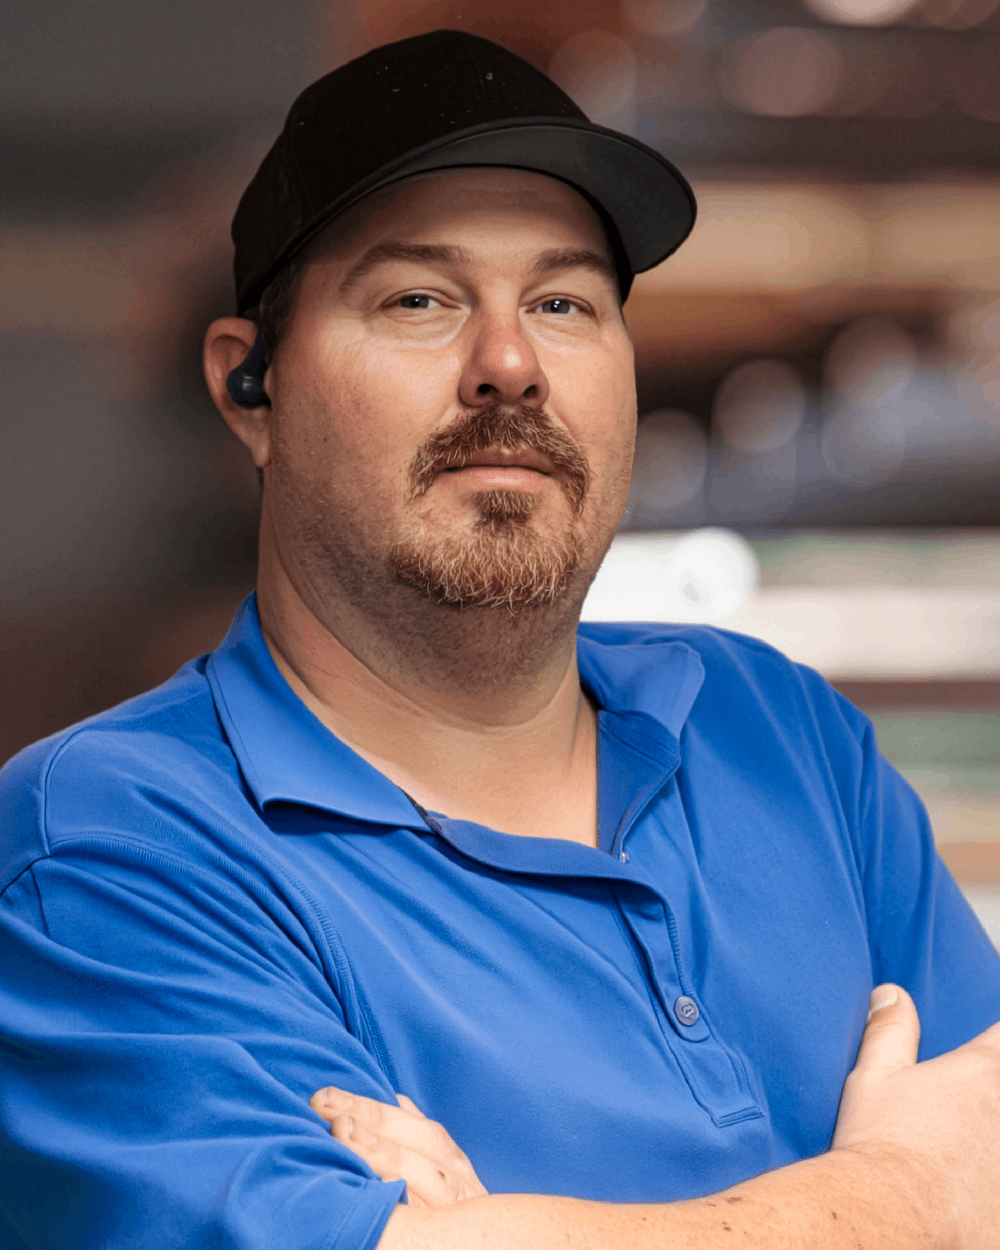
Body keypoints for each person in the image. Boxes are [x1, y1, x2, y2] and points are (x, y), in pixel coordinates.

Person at [1, 28, 999, 1250]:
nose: (510, 363)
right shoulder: (107, 849)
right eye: (419, 298)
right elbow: (962, 1177)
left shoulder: (782, 734)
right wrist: (906, 1195)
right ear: (247, 388)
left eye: (564, 300)